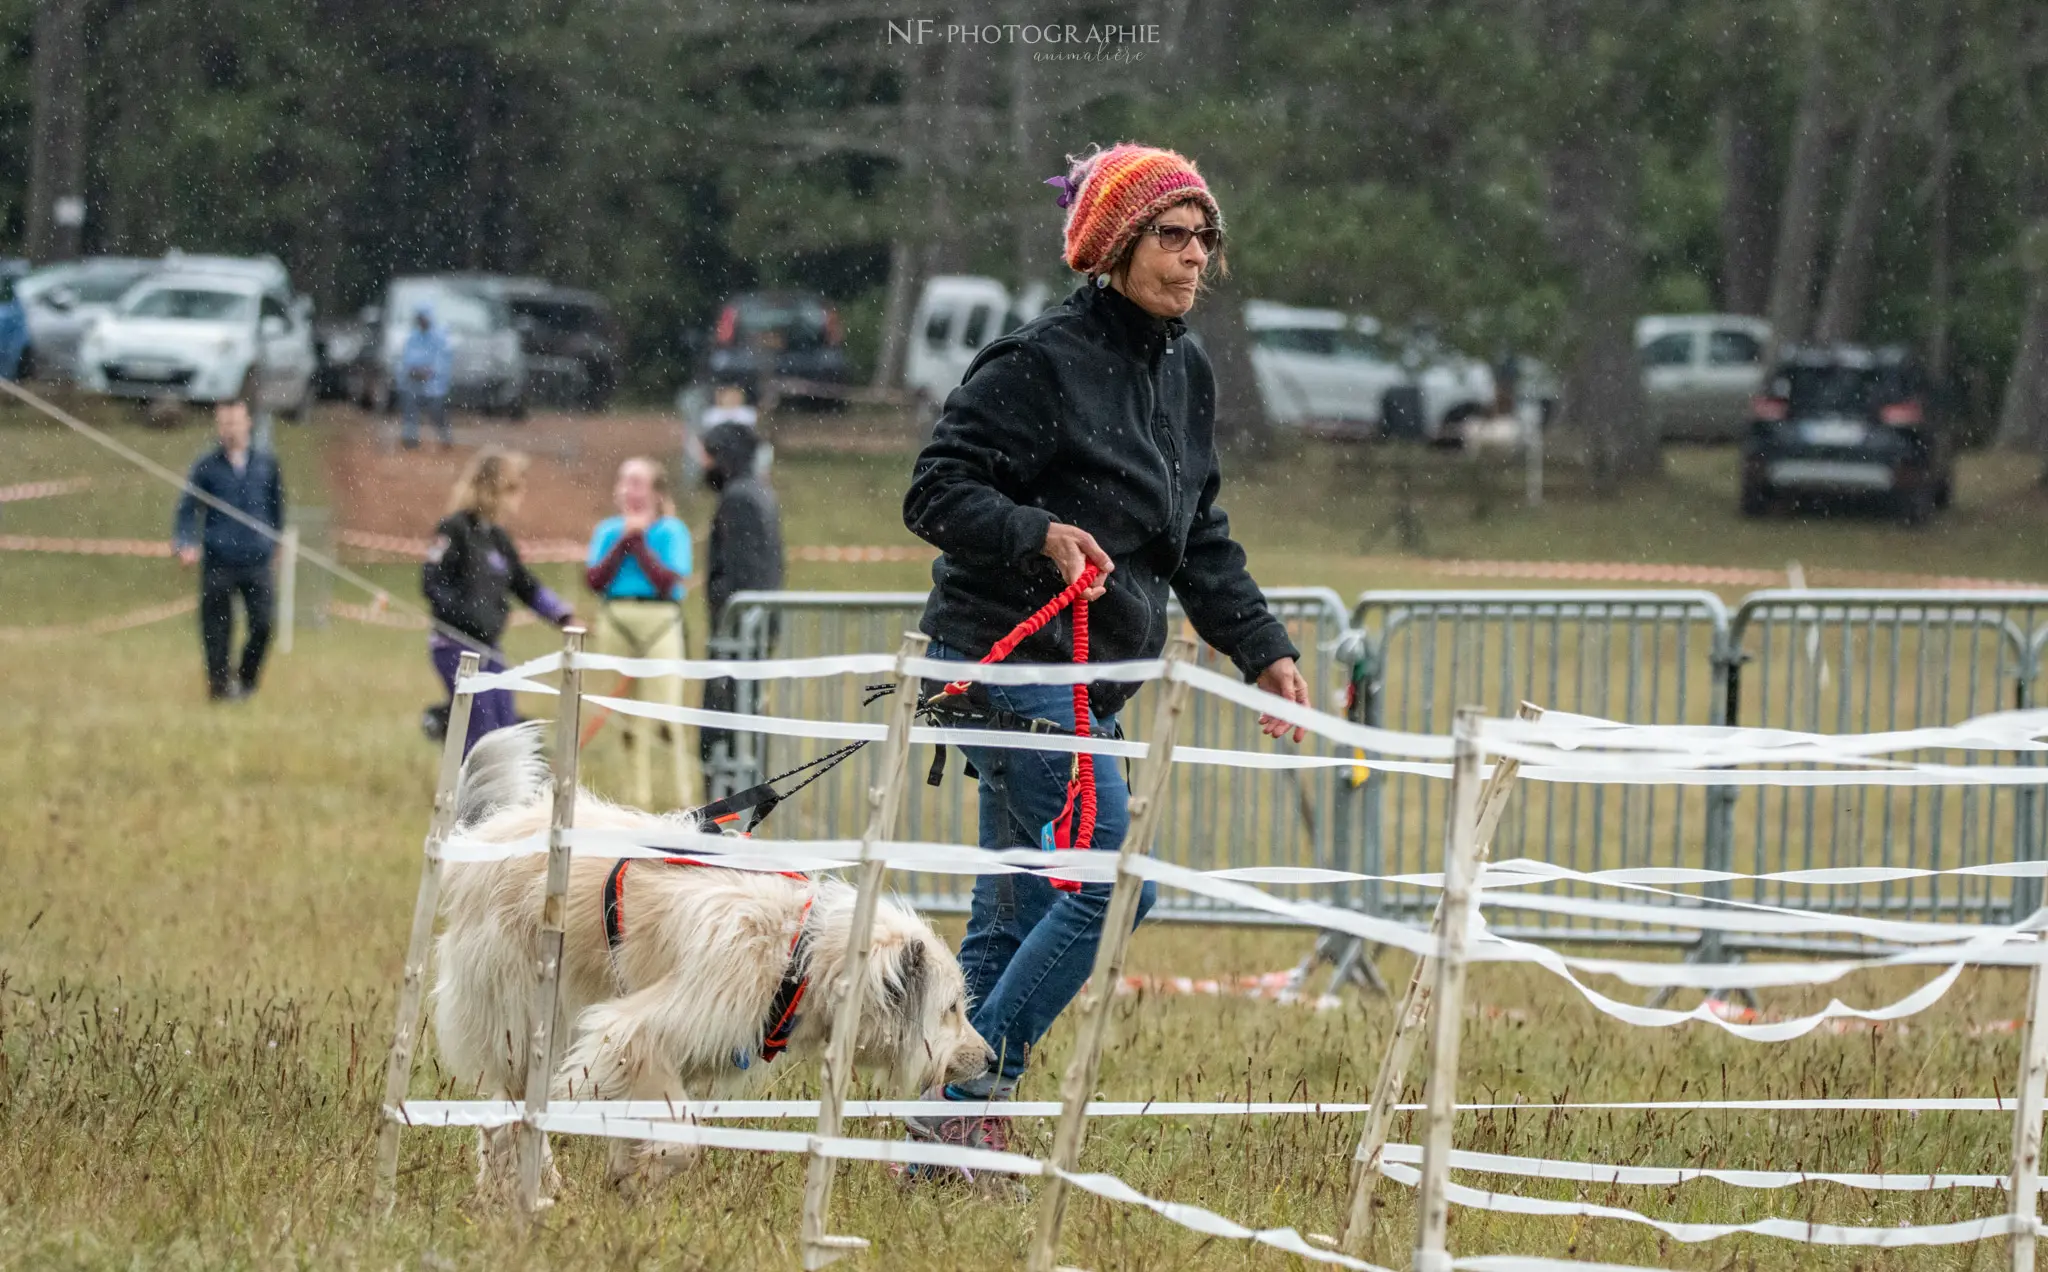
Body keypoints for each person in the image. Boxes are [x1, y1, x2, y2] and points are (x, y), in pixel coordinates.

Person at [900, 143, 1313, 1159]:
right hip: (1006, 667)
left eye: (1202, 238)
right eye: (1171, 237)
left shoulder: (1187, 369)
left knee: (1017, 905)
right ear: (1113, 248)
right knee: (1110, 882)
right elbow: (935, 492)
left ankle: (938, 1123)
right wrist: (1036, 533)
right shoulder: (1036, 363)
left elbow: (1195, 535)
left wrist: (1258, 646)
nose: (1192, 259)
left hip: (1091, 682)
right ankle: (962, 1098)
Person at [422, 448, 575, 753]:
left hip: (491, 649)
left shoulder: (498, 538)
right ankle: (471, 792)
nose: (520, 495)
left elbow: (524, 584)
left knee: (506, 728)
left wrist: (563, 616)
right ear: (495, 489)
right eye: (515, 487)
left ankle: (442, 719)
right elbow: (432, 583)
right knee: (483, 735)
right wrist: (466, 618)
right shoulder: (454, 529)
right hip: (455, 647)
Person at [585, 457, 699, 807]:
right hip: (617, 619)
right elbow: (595, 579)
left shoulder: (671, 531)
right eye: (624, 481)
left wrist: (640, 543)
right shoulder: (607, 531)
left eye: (637, 482)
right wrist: (624, 542)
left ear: (654, 490)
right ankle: (636, 797)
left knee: (666, 712)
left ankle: (682, 796)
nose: (628, 489)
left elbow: (668, 581)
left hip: (659, 619)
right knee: (627, 716)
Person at [173, 398, 286, 701]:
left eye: (234, 422)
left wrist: (277, 541)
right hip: (219, 560)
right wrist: (185, 543)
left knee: (263, 624)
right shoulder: (206, 467)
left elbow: (276, 507)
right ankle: (219, 687)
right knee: (216, 630)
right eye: (224, 423)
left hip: (257, 560)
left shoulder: (266, 464)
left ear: (248, 422)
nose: (229, 429)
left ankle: (246, 682)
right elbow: (187, 510)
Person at [695, 422, 786, 793]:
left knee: (723, 732)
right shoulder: (759, 492)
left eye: (707, 455)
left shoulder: (739, 499)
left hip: (736, 638)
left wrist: (726, 617)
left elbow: (743, 574)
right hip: (751, 633)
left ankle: (725, 812)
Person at [398, 304, 453, 450]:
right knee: (410, 409)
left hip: (434, 385)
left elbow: (443, 361)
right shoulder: (412, 337)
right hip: (414, 382)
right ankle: (410, 439)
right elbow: (406, 359)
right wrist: (414, 371)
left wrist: (430, 372)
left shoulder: (439, 337)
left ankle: (445, 439)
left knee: (437, 413)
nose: (421, 321)